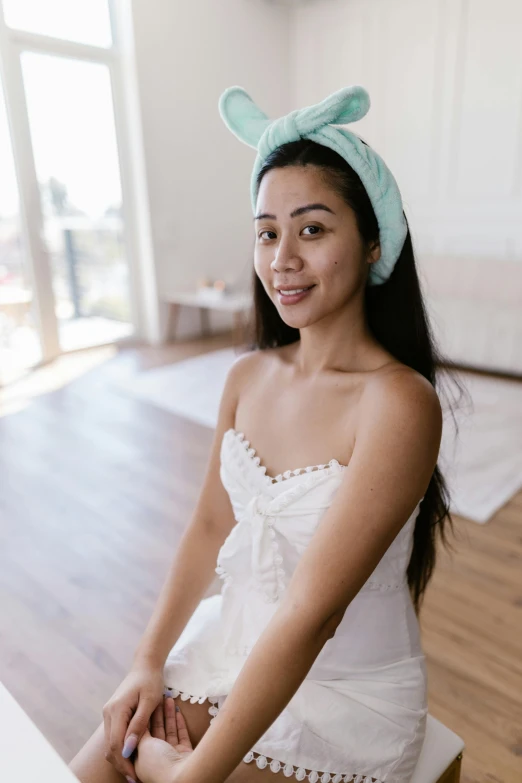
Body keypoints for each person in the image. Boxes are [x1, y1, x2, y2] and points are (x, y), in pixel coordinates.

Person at [69, 85, 464, 783]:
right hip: (232, 643)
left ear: (373, 243)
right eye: (266, 230)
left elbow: (313, 615)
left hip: (345, 693)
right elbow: (207, 525)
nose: (282, 256)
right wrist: (147, 659)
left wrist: (187, 775)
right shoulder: (247, 377)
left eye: (312, 229)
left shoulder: (401, 404)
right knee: (93, 764)